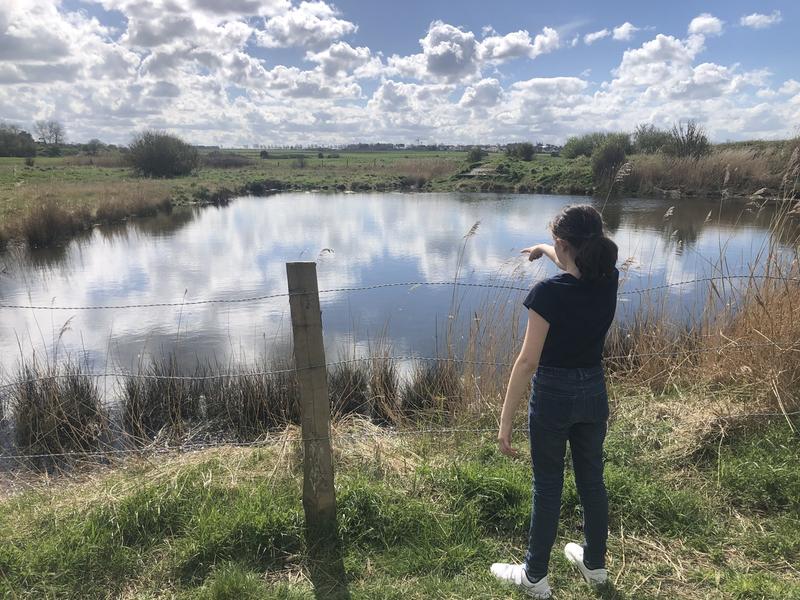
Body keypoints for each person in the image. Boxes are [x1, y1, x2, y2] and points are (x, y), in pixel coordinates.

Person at [490, 204, 619, 599]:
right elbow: (572, 268)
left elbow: (528, 361)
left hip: (553, 397)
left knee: (547, 486)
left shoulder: (546, 294)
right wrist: (542, 248)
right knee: (591, 480)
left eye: (556, 246)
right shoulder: (609, 278)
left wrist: (505, 421)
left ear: (565, 244)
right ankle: (595, 565)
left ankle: (534, 577)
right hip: (594, 393)